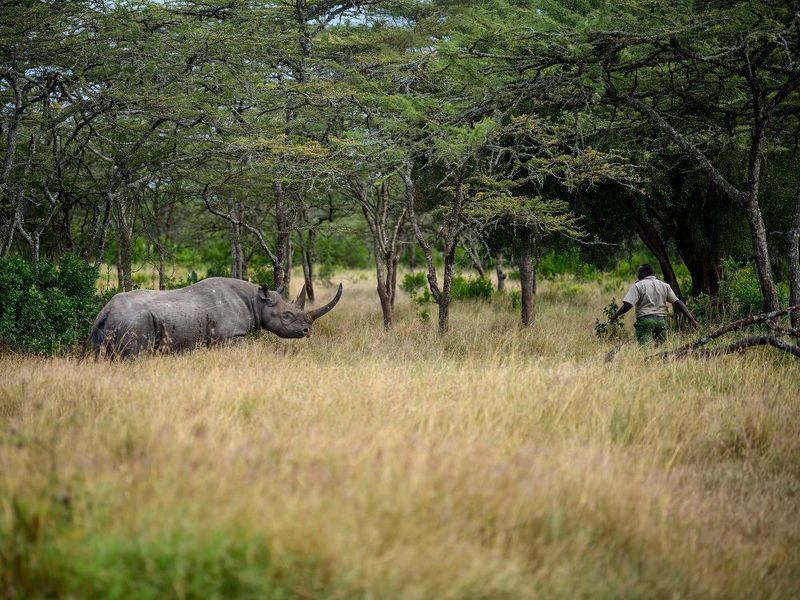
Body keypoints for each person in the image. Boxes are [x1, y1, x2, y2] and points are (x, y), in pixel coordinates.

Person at [610, 264, 699, 345]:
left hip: (645, 321)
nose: (638, 276)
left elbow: (628, 305)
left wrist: (615, 316)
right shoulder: (664, 285)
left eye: (639, 273)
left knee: (645, 349)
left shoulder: (638, 285)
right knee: (662, 348)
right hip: (661, 321)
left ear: (644, 273)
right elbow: (678, 302)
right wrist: (691, 319)